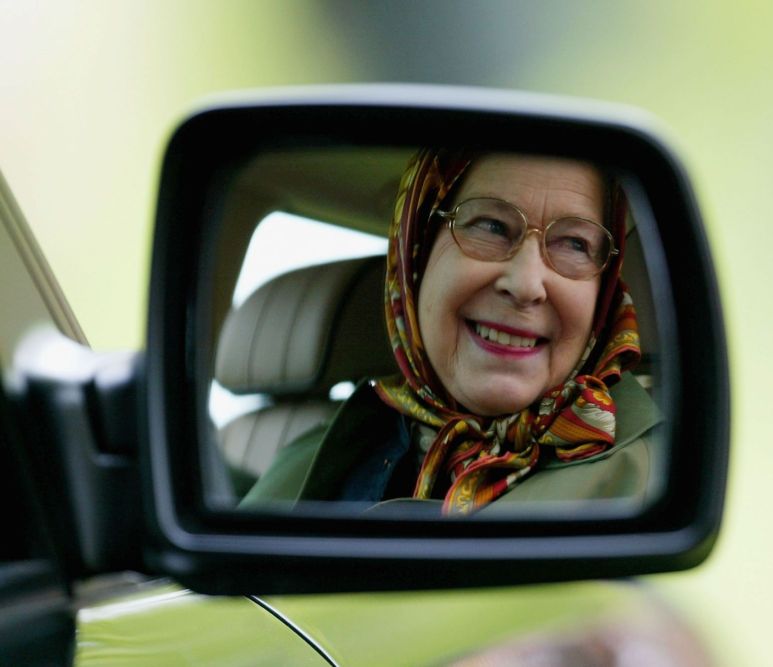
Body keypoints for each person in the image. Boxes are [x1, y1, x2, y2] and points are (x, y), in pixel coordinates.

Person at [243, 149, 661, 515]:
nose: (527, 285)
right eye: (492, 226)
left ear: (603, 290)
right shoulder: (324, 451)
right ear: (416, 256)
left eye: (574, 244)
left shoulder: (651, 481)